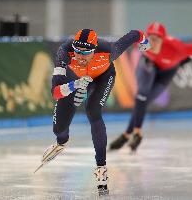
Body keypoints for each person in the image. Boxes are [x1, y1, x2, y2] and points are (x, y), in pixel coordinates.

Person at [39, 28, 150, 196]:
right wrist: (73, 86)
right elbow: (55, 93)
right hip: (75, 79)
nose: (81, 57)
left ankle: (101, 168)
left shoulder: (109, 51)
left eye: (86, 52)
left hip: (103, 78)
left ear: (95, 49)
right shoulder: (64, 53)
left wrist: (145, 42)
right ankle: (61, 142)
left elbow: (134, 34)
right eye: (78, 52)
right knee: (59, 128)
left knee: (93, 110)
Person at [109, 22, 192, 152]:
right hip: (149, 64)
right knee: (141, 96)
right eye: (151, 38)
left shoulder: (177, 48)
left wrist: (182, 63)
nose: (153, 43)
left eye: (157, 40)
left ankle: (126, 135)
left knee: (145, 101)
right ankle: (137, 133)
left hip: (167, 72)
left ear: (164, 40)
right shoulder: (142, 42)